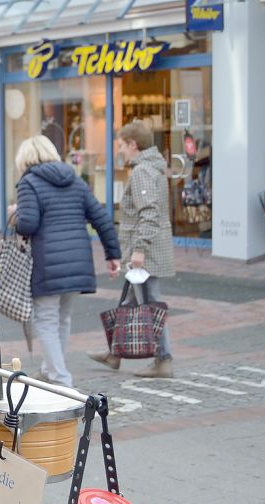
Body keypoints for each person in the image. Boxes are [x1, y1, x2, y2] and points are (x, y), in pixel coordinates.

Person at [9, 135, 121, 387]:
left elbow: (28, 223)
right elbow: (101, 218)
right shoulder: (75, 180)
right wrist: (113, 255)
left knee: (46, 320)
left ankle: (61, 379)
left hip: (48, 263)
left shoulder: (29, 182)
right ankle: (50, 370)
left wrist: (16, 213)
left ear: (24, 159)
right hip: (78, 261)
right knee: (63, 319)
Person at [88, 120, 176, 378]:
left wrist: (139, 250)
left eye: (122, 145)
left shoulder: (141, 172)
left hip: (146, 253)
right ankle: (115, 354)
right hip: (146, 250)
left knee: (149, 304)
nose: (121, 151)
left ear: (133, 145)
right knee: (130, 300)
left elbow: (149, 213)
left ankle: (164, 360)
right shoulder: (152, 167)